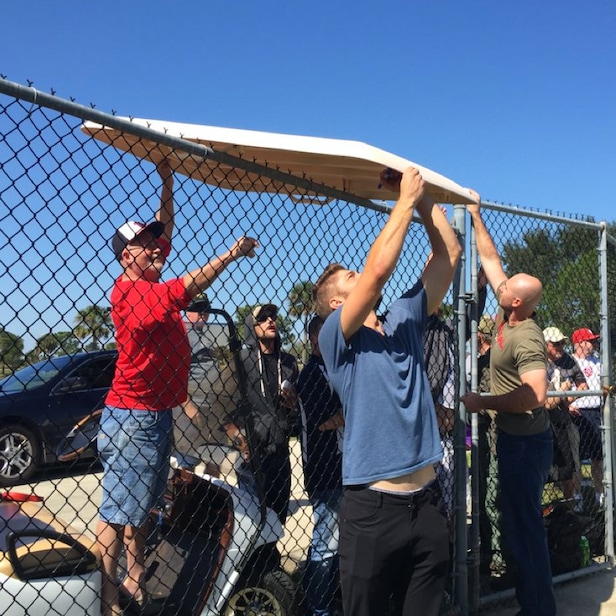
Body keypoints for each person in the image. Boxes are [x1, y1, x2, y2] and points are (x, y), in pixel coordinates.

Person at [96, 160, 259, 616]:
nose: (156, 247)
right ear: (127, 255)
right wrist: (228, 255)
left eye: (154, 241)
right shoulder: (129, 292)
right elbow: (183, 289)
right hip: (132, 419)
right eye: (145, 244)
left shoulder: (147, 274)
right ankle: (106, 598)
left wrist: (167, 181)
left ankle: (134, 576)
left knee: (141, 507)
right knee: (115, 513)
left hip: (155, 415)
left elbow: (165, 228)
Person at [313, 166, 461, 616]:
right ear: (337, 304)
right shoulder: (335, 340)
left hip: (429, 500)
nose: (360, 273)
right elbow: (378, 272)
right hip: (373, 511)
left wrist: (420, 200)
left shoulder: (402, 318)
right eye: (348, 277)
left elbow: (449, 253)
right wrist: (403, 202)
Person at [461, 194, 555, 616]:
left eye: (506, 289)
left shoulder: (527, 336)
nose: (499, 285)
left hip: (526, 445)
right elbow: (492, 258)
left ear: (516, 302)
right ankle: (532, 604)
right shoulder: (505, 315)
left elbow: (535, 394)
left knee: (526, 529)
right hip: (513, 442)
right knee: (518, 525)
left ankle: (540, 609)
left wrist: (484, 402)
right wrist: (477, 216)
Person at [211, 303, 298, 524]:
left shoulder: (288, 362)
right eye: (262, 318)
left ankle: (271, 559)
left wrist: (293, 405)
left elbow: (297, 411)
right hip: (252, 454)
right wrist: (240, 439)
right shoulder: (240, 361)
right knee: (253, 520)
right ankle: (255, 560)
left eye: (273, 316)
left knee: (278, 520)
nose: (270, 321)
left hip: (280, 452)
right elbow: (219, 405)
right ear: (252, 326)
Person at [298, 315, 344, 616]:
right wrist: (346, 415)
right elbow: (320, 423)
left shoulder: (333, 368)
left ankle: (329, 596)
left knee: (338, 540)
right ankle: (318, 608)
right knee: (325, 543)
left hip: (341, 464)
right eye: (323, 335)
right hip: (323, 466)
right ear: (315, 339)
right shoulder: (310, 374)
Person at [542, 327, 585, 509]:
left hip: (564, 421)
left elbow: (583, 384)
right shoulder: (539, 362)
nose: (560, 347)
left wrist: (568, 396)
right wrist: (562, 390)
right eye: (556, 344)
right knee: (545, 470)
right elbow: (547, 404)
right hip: (543, 423)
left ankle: (571, 506)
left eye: (562, 343)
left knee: (570, 467)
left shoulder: (568, 360)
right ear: (545, 345)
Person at [569, 327, 604, 506]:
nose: (593, 344)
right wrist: (569, 405)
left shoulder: (597, 362)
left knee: (598, 457)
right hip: (577, 413)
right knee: (576, 459)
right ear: (579, 343)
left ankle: (600, 494)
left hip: (595, 412)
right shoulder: (570, 362)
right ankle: (577, 496)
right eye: (590, 341)